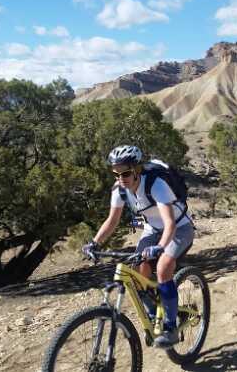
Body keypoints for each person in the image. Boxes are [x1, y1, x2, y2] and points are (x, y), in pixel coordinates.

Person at [82, 145, 194, 349]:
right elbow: (112, 220)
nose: (120, 178)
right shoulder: (119, 190)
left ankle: (170, 327)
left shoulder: (156, 184)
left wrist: (160, 247)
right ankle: (153, 315)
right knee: (136, 273)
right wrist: (94, 243)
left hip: (180, 228)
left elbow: (169, 223)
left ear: (137, 170)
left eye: (125, 173)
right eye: (115, 174)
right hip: (152, 229)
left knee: (162, 269)